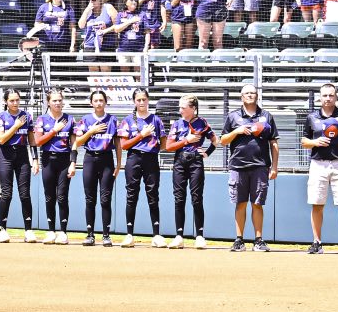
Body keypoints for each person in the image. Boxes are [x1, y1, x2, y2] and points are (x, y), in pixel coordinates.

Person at [302, 83, 338, 255]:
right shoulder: (312, 117)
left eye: (331, 95)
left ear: (336, 97)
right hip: (318, 164)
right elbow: (304, 141)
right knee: (317, 204)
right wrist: (315, 142)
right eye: (325, 95)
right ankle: (317, 242)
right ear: (320, 97)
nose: (327, 98)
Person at [220, 85, 277, 251]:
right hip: (238, 166)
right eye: (247, 93)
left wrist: (274, 166)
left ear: (257, 96)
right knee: (240, 203)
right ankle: (239, 239)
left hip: (260, 166)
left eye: (253, 92)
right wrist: (237, 131)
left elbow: (274, 143)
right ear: (241, 96)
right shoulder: (233, 116)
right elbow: (223, 140)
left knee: (257, 203)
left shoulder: (266, 116)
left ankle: (258, 239)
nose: (250, 95)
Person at [115, 88, 163, 247]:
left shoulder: (156, 120)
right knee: (131, 195)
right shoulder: (128, 120)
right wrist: (141, 135)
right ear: (134, 102)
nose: (142, 102)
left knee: (153, 195)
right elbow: (124, 144)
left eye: (144, 99)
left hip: (151, 159)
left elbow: (163, 144)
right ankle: (129, 234)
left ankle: (156, 235)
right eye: (139, 100)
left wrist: (151, 145)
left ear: (148, 100)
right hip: (134, 158)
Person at [72, 88, 118, 245]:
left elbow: (117, 144)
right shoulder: (85, 120)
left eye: (101, 100)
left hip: (106, 160)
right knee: (90, 199)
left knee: (105, 199)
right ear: (91, 103)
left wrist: (119, 164)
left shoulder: (112, 119)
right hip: (90, 159)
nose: (99, 103)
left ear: (105, 102)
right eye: (96, 100)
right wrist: (91, 131)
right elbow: (77, 142)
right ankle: (90, 234)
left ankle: (106, 235)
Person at [167, 95, 211, 249]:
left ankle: (199, 236)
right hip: (179, 161)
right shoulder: (177, 124)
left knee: (196, 198)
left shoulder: (202, 123)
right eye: (179, 107)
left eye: (183, 107)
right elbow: (169, 146)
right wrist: (186, 140)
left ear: (193, 109)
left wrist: (207, 153)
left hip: (196, 162)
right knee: (179, 198)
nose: (180, 110)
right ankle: (179, 236)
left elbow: (215, 140)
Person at [0, 89, 33, 242]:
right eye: (12, 100)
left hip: (22, 155)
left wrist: (35, 159)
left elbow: (31, 139)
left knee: (25, 193)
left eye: (17, 100)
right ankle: (2, 229)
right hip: (6, 155)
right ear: (6, 102)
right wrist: (15, 126)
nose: (15, 103)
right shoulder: (1, 117)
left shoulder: (26, 116)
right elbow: (1, 139)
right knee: (6, 193)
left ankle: (28, 230)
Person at [32, 89, 75, 244]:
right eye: (54, 100)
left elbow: (74, 143)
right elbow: (38, 141)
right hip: (48, 159)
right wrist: (54, 131)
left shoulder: (69, 119)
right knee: (49, 196)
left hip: (64, 160)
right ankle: (51, 231)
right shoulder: (42, 120)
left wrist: (73, 162)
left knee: (62, 196)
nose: (58, 103)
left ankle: (63, 232)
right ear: (48, 102)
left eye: (59, 100)